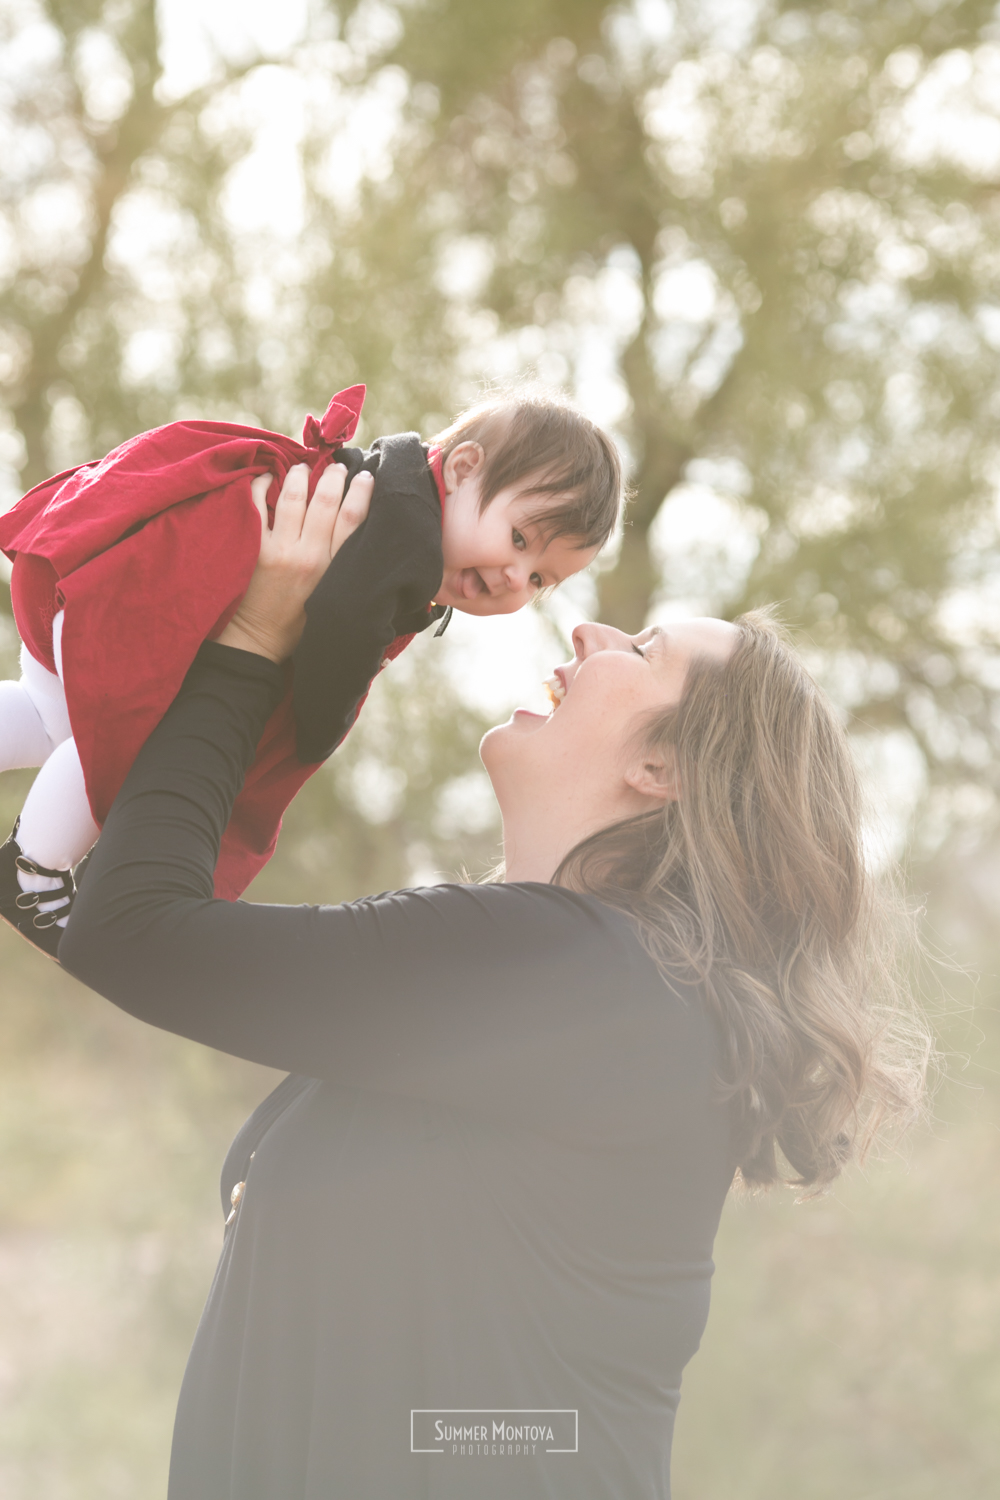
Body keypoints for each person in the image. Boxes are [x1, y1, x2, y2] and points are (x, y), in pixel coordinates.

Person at [57, 465, 927, 1498]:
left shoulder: (568, 974)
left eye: (643, 650)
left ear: (664, 769)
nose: (585, 635)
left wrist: (253, 642)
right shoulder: (568, 982)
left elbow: (134, 931)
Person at [0, 386, 621, 951]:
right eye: (519, 539)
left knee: (50, 716)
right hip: (152, 591)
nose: (516, 577)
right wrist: (325, 719)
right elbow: (340, 632)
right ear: (461, 470)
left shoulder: (387, 496)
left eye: (540, 579)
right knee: (125, 740)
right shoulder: (404, 538)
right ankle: (32, 871)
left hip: (104, 561)